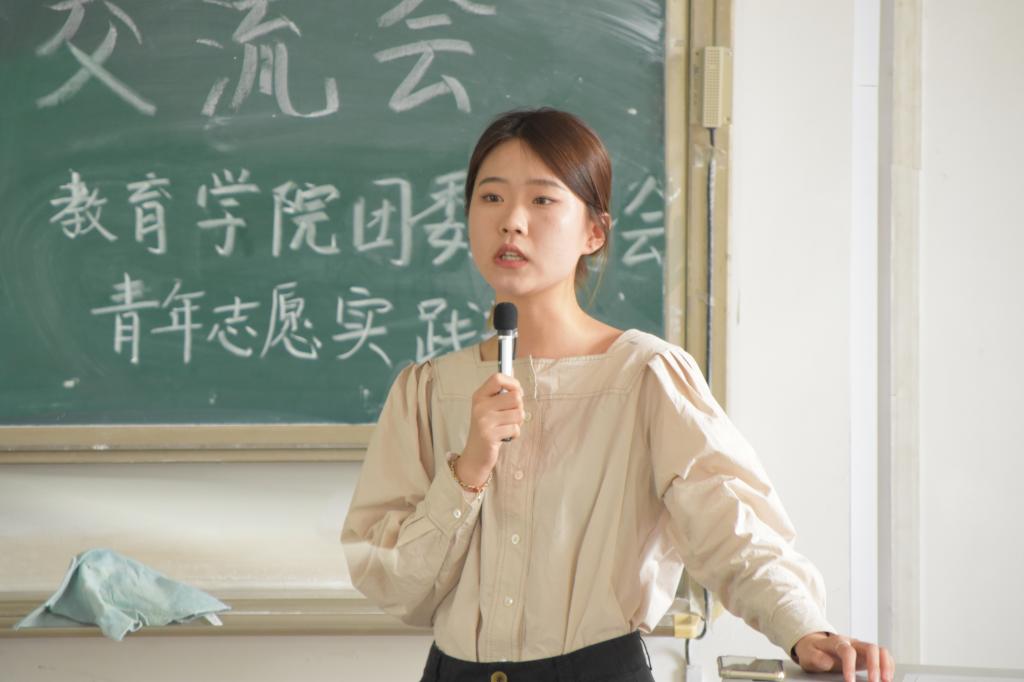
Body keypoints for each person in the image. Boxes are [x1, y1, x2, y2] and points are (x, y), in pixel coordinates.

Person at [342, 107, 894, 682]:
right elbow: (392, 582)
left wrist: (803, 627)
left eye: (542, 199)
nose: (512, 222)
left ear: (595, 232)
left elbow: (728, 522)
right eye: (491, 198)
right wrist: (468, 472)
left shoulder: (645, 376)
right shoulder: (429, 390)